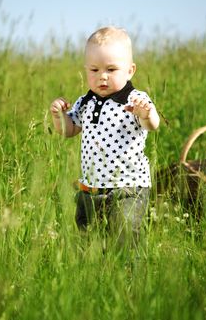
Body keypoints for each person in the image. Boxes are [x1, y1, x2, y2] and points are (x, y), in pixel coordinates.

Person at [50, 26, 160, 246]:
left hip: (128, 188)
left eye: (111, 69)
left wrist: (146, 114)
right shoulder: (85, 101)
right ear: (86, 70)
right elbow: (69, 130)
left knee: (124, 236)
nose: (102, 76)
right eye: (94, 70)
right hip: (91, 189)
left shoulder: (135, 100)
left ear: (130, 71)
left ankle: (129, 276)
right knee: (88, 241)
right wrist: (58, 116)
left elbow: (152, 124)